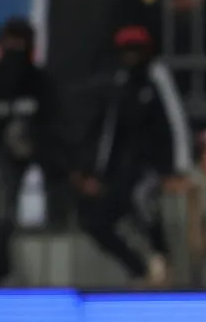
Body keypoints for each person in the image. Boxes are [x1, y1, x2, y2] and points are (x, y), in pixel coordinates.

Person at [74, 25, 192, 288]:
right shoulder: (120, 83)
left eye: (136, 50)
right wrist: (99, 174)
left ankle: (162, 258)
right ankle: (138, 268)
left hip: (154, 167)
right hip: (124, 169)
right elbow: (111, 132)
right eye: (126, 51)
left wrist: (178, 167)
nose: (131, 57)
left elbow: (175, 121)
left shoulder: (157, 77)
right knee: (93, 220)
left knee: (141, 197)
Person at [0, 18, 63, 286]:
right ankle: (1, 271)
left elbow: (55, 127)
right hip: (0, 158)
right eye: (11, 42)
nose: (16, 48)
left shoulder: (40, 83)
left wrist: (34, 147)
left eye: (21, 43)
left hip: (37, 157)